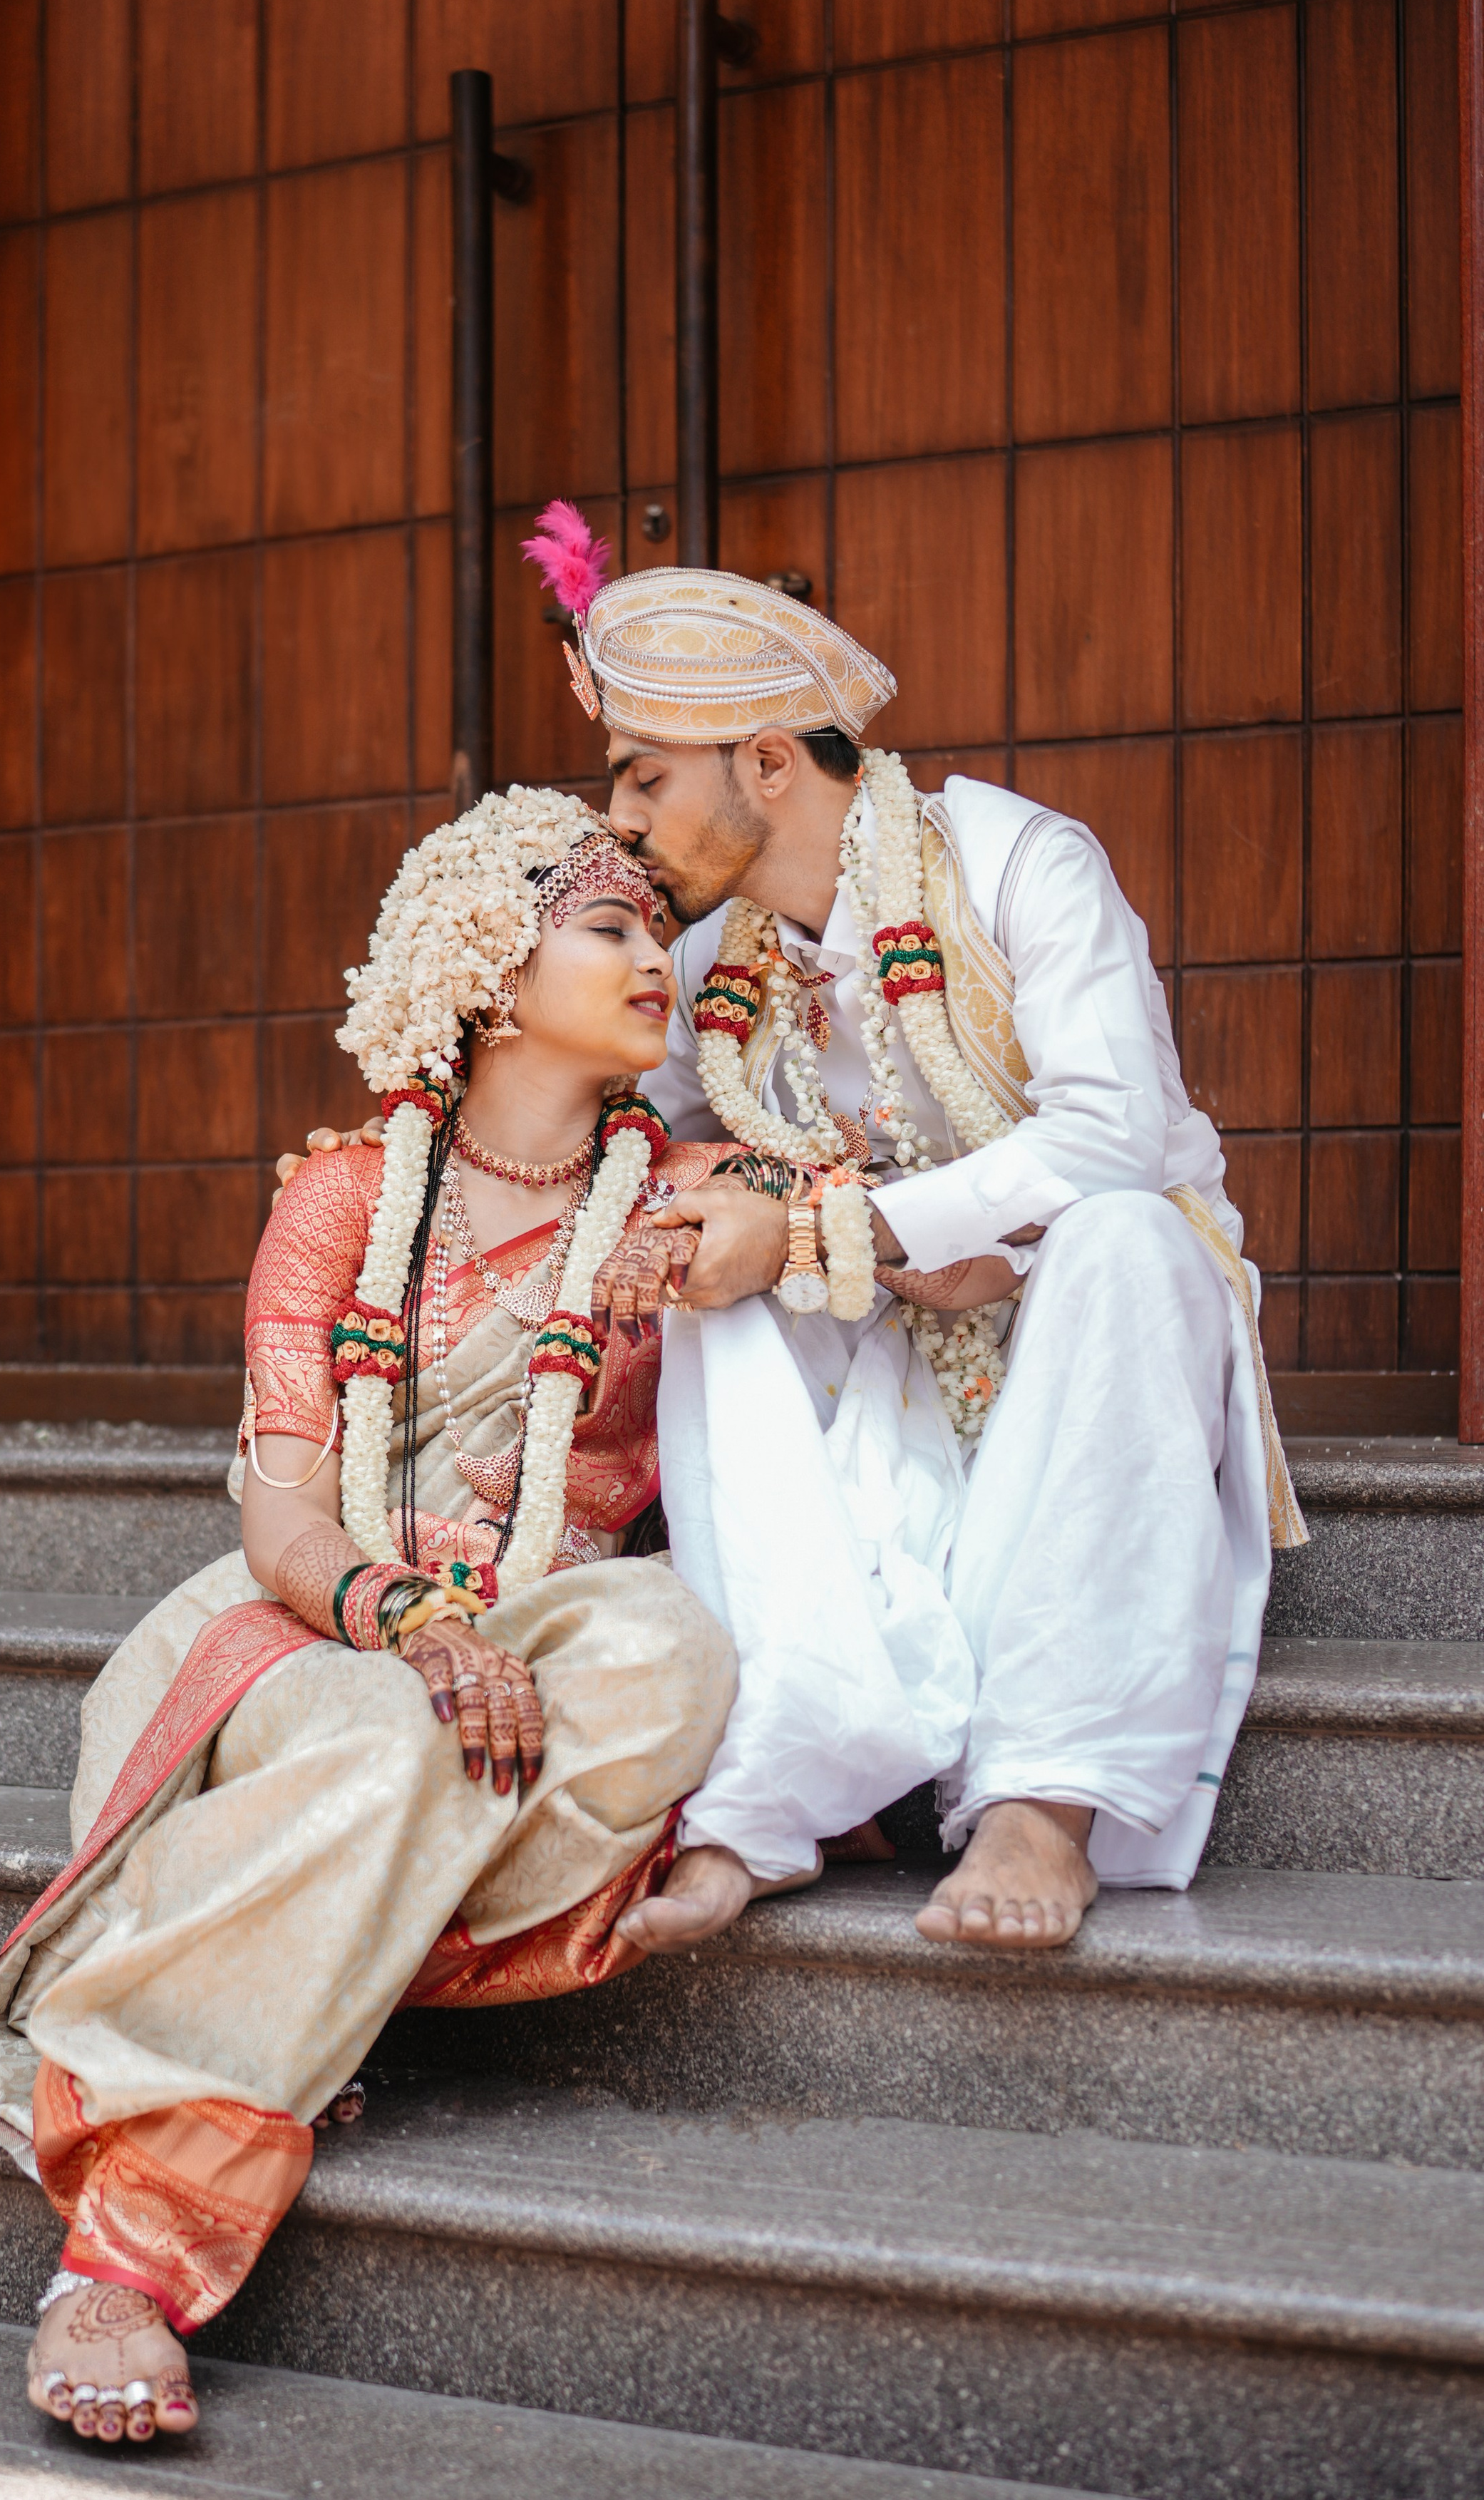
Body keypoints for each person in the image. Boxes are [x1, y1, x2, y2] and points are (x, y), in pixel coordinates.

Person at [292, 507, 1304, 1965]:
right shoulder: (701, 958)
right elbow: (609, 1142)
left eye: (640, 780)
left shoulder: (1014, 860)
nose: (619, 824)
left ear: (769, 762)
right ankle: (764, 1802)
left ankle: (1044, 1800)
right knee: (699, 1254)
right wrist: (404, 1167)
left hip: (1087, 1335)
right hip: (878, 1348)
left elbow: (1111, 1139)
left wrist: (832, 1227)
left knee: (1131, 1237)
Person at [0, 786, 739, 2446]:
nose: (654, 953)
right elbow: (282, 1507)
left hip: (553, 1628)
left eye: (658, 924)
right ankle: (130, 2250)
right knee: (392, 1728)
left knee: (674, 1656)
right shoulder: (346, 1197)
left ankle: (319, 1958)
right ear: (485, 967)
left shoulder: (681, 1202)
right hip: (320, 1626)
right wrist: (407, 1617)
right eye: (609, 925)